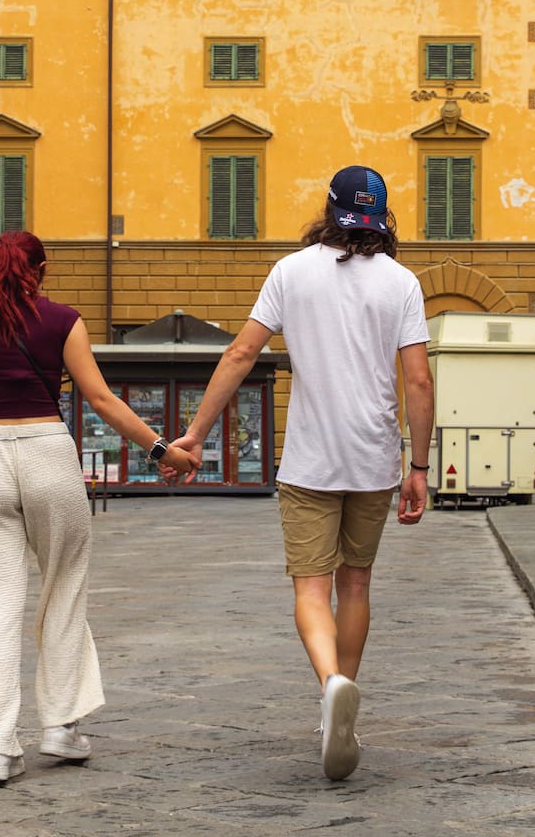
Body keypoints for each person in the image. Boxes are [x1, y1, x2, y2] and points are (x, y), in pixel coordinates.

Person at [170, 166, 434, 781]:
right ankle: (340, 708)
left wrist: (197, 432)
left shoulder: (291, 272)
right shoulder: (402, 283)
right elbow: (418, 380)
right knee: (357, 586)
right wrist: (418, 466)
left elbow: (241, 353)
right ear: (383, 217)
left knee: (311, 590)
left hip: (310, 460)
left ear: (330, 210)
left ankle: (331, 684)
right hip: (372, 459)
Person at [0, 231, 195, 785]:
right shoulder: (64, 320)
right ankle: (60, 727)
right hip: (49, 453)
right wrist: (159, 449)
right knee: (64, 589)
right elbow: (100, 399)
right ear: (42, 269)